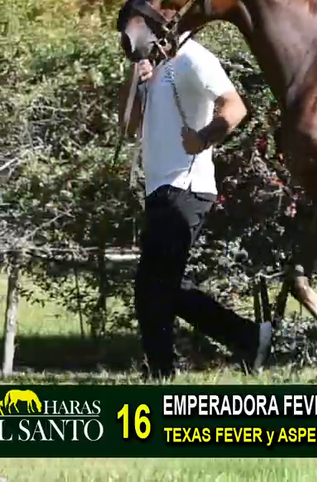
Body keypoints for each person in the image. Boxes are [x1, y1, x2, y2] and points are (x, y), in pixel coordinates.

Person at [117, 35, 272, 380]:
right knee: (158, 286)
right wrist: (134, 80)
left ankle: (161, 371)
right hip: (158, 187)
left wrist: (203, 138)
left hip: (187, 185)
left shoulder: (192, 57)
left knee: (155, 285)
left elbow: (235, 106)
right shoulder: (151, 67)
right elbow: (128, 127)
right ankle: (248, 338)